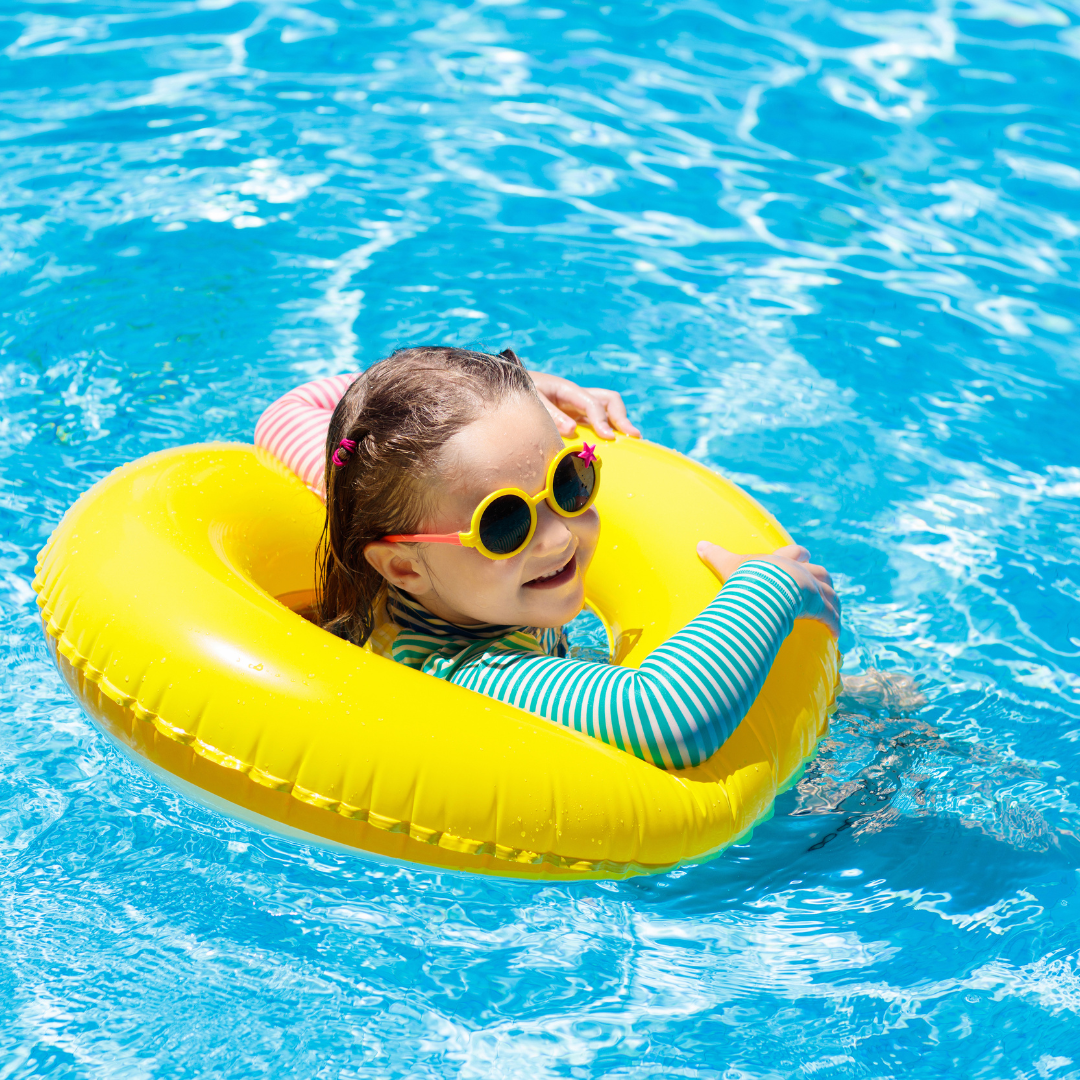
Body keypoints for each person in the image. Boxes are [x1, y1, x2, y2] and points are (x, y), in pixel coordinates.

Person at [255, 346, 839, 771]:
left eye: (569, 480)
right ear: (402, 566)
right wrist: (767, 586)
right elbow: (668, 718)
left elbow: (289, 413)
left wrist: (500, 394)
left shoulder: (398, 507)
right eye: (504, 522)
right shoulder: (473, 672)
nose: (558, 538)